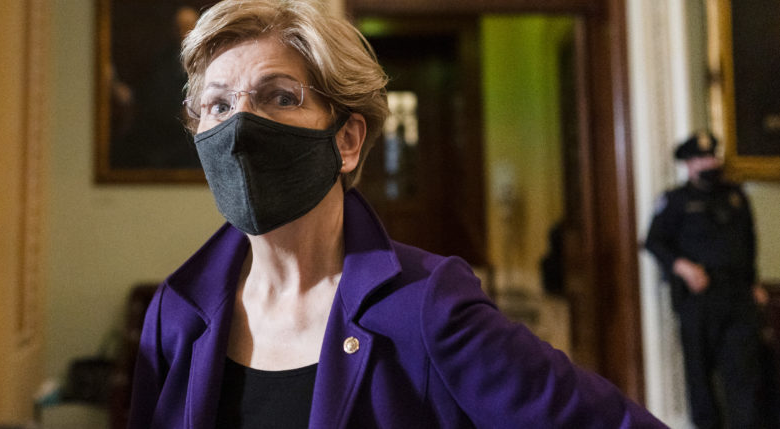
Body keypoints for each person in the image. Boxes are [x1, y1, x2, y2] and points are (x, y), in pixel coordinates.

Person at [128, 0, 667, 427]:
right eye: (219, 105)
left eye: (281, 97)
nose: (240, 126)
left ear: (346, 141)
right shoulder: (176, 313)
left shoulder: (428, 306)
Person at [645, 132, 769, 429]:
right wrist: (684, 267)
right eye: (701, 158)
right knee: (700, 380)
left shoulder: (735, 196)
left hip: (738, 296)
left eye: (712, 156)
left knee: (744, 375)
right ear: (689, 164)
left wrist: (753, 283)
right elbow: (654, 241)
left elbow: (748, 244)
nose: (709, 163)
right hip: (699, 301)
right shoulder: (675, 201)